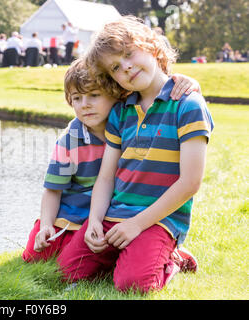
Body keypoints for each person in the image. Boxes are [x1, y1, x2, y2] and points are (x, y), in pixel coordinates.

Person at [57, 16, 213, 293]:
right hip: (115, 213)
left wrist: (136, 225)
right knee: (67, 271)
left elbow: (190, 182)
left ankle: (172, 258)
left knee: (133, 285)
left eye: (129, 54)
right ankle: (129, 253)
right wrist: (94, 220)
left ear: (152, 46)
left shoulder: (187, 105)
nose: (126, 67)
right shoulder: (121, 111)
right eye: (116, 67)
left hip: (158, 220)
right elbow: (106, 177)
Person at [23, 57, 202, 265]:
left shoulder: (127, 124)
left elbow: (161, 86)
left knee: (105, 254)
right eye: (77, 98)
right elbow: (53, 189)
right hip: (70, 218)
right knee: (36, 257)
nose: (85, 105)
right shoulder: (69, 141)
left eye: (94, 95)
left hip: (111, 216)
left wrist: (190, 83)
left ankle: (166, 255)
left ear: (115, 94)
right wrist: (46, 224)